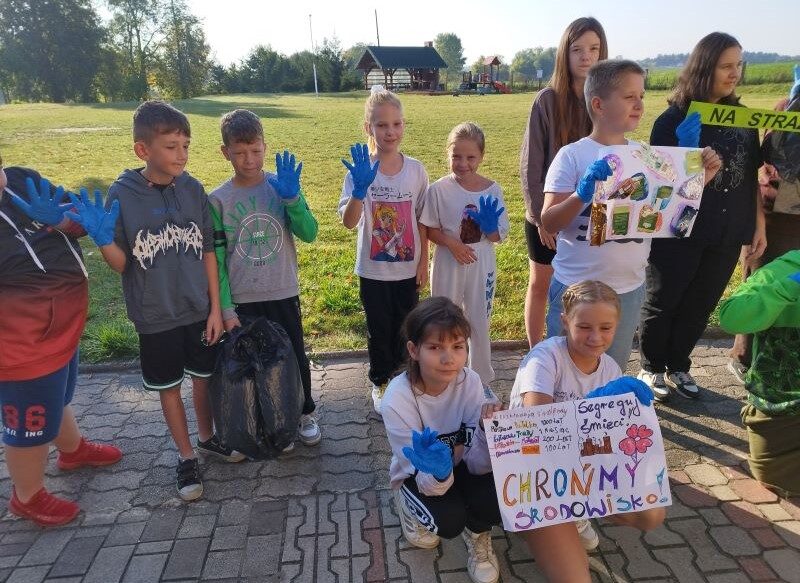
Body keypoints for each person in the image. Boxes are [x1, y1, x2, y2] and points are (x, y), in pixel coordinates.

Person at [67, 100, 244, 503]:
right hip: (155, 314)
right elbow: (122, 264)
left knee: (203, 378)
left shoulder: (193, 188)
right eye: (171, 145)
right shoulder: (123, 193)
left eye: (185, 144)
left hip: (199, 309)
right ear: (143, 150)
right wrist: (102, 239)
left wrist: (216, 308)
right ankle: (185, 457)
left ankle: (207, 438)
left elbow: (208, 253)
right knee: (169, 387)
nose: (181, 154)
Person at [540, 59, 722, 371]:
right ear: (598, 104)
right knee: (563, 372)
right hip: (575, 288)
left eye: (641, 96)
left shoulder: (646, 156)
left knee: (611, 371)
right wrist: (582, 194)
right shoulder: (572, 155)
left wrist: (696, 173)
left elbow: (673, 213)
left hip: (627, 289)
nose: (639, 105)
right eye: (629, 97)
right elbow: (550, 221)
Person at [509, 281, 665, 583]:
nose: (596, 337)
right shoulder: (545, 358)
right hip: (533, 471)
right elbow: (538, 424)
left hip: (580, 468)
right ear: (565, 322)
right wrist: (592, 406)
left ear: (618, 326)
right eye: (584, 327)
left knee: (652, 514)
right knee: (576, 579)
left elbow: (617, 438)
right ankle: (537, 519)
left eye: (606, 328)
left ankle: (576, 511)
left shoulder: (609, 369)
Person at [638, 32, 766, 401]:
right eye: (727, 66)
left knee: (702, 301)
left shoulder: (742, 118)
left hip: (728, 229)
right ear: (704, 67)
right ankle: (651, 367)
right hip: (681, 229)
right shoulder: (673, 120)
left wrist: (757, 224)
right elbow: (660, 183)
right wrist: (683, 151)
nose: (735, 73)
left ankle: (679, 364)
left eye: (739, 64)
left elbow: (750, 176)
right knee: (666, 296)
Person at [0, 157, 122, 526]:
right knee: (29, 423)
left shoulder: (21, 179)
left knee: (56, 396)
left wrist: (62, 221)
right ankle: (27, 495)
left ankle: (71, 450)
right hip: (21, 344)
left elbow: (79, 220)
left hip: (62, 326)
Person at [209, 109, 321, 449]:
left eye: (256, 151)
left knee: (293, 355)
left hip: (282, 290)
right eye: (240, 152)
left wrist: (293, 200)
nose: (249, 159)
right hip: (243, 298)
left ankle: (303, 412)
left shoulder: (279, 186)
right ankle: (269, 421)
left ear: (265, 146)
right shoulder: (217, 200)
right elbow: (216, 260)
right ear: (225, 152)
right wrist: (225, 307)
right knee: (253, 362)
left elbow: (310, 232)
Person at [382, 297, 503, 583]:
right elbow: (423, 473)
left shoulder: (471, 383)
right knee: (448, 523)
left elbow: (478, 464)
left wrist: (490, 435)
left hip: (463, 464)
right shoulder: (397, 401)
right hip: (421, 475)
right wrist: (440, 471)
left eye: (458, 347)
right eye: (435, 347)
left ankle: (479, 533)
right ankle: (407, 505)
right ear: (414, 350)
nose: (449, 359)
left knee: (497, 501)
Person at [339, 86, 429, 414]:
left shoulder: (416, 170)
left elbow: (423, 219)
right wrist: (359, 190)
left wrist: (423, 263)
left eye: (396, 124)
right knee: (379, 329)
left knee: (407, 328)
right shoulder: (359, 171)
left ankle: (405, 381)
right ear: (368, 128)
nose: (390, 131)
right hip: (373, 272)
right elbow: (349, 222)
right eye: (381, 125)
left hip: (407, 269)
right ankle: (380, 381)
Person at [520, 17, 608, 347]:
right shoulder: (548, 100)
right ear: (565, 54)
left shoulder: (604, 100)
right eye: (577, 49)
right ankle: (535, 352)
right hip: (549, 213)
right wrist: (540, 217)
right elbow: (532, 164)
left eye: (594, 49)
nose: (586, 56)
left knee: (580, 288)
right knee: (542, 283)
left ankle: (577, 352)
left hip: (591, 213)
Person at [422, 122, 509, 388]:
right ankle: (442, 373)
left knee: (479, 318)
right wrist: (453, 244)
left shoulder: (492, 189)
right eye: (456, 156)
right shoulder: (438, 189)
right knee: (443, 316)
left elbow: (498, 237)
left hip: (481, 262)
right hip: (449, 260)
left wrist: (490, 227)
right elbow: (430, 229)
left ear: (481, 157)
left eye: (471, 157)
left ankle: (481, 379)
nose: (463, 163)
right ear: (447, 154)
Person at [729, 68, 800, 383]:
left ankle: (786, 357)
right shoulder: (785, 107)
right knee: (761, 282)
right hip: (776, 214)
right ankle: (746, 358)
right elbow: (766, 159)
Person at [719, 250, 800, 496]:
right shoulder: (786, 269)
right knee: (776, 478)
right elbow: (731, 317)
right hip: (781, 409)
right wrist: (790, 286)